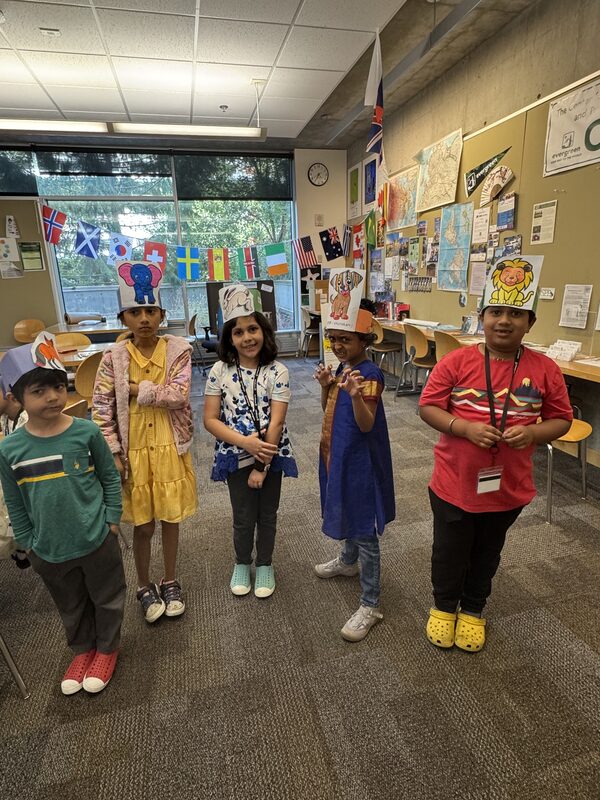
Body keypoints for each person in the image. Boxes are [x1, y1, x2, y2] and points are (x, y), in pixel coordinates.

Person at [419, 255, 572, 652]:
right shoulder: (456, 361)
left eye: (516, 313)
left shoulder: (545, 369)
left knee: (488, 550)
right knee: (449, 549)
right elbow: (429, 406)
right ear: (482, 317)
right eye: (496, 312)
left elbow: (562, 419)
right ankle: (443, 607)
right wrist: (463, 427)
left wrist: (535, 432)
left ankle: (472, 608)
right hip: (453, 483)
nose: (505, 321)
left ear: (530, 322)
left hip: (507, 487)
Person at [0, 333, 125, 695]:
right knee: (69, 603)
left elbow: (108, 477)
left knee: (107, 596)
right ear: (17, 397)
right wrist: (27, 542)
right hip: (48, 546)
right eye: (39, 391)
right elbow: (14, 499)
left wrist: (112, 519)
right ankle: (82, 650)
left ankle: (106, 649)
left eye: (58, 386)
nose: (53, 396)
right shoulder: (10, 449)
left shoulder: (85, 432)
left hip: (96, 536)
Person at [93, 261, 197, 623]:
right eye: (135, 312)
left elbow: (179, 395)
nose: (144, 318)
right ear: (124, 318)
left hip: (169, 445)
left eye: (150, 310)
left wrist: (138, 389)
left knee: (170, 517)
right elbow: (102, 407)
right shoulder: (113, 359)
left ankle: (170, 578)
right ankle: (142, 583)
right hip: (133, 447)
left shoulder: (178, 350)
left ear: (161, 314)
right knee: (143, 523)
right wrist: (113, 452)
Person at [203, 284, 297, 599]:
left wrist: (261, 462)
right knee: (243, 516)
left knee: (267, 514)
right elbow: (210, 419)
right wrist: (245, 444)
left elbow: (278, 421)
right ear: (229, 338)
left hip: (270, 453)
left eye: (253, 329)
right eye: (238, 332)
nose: (247, 338)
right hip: (234, 452)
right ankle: (242, 562)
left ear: (264, 331)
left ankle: (266, 564)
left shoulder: (278, 371)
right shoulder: (219, 370)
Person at [314, 281, 395, 642]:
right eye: (333, 337)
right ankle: (347, 562)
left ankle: (371, 602)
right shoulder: (343, 369)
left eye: (345, 339)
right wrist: (326, 387)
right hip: (337, 452)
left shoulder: (369, 375)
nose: (337, 345)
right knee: (341, 503)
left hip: (360, 459)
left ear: (365, 340)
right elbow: (327, 411)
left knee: (363, 525)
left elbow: (366, 423)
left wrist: (355, 394)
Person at [0, 385, 30, 567]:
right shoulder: (7, 416)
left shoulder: (27, 421)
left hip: (23, 488)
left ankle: (19, 546)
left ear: (9, 395)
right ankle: (19, 549)